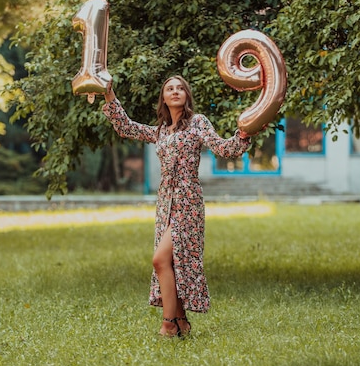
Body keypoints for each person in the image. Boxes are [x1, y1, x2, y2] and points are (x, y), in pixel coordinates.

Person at [103, 75, 251, 337]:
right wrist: (108, 94)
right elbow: (126, 127)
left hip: (188, 202)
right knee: (171, 261)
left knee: (160, 259)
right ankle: (181, 322)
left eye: (180, 88)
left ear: (187, 95)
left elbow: (223, 148)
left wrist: (242, 135)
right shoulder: (160, 131)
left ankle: (169, 323)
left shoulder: (197, 123)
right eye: (170, 89)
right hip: (165, 203)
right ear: (163, 97)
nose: (175, 91)